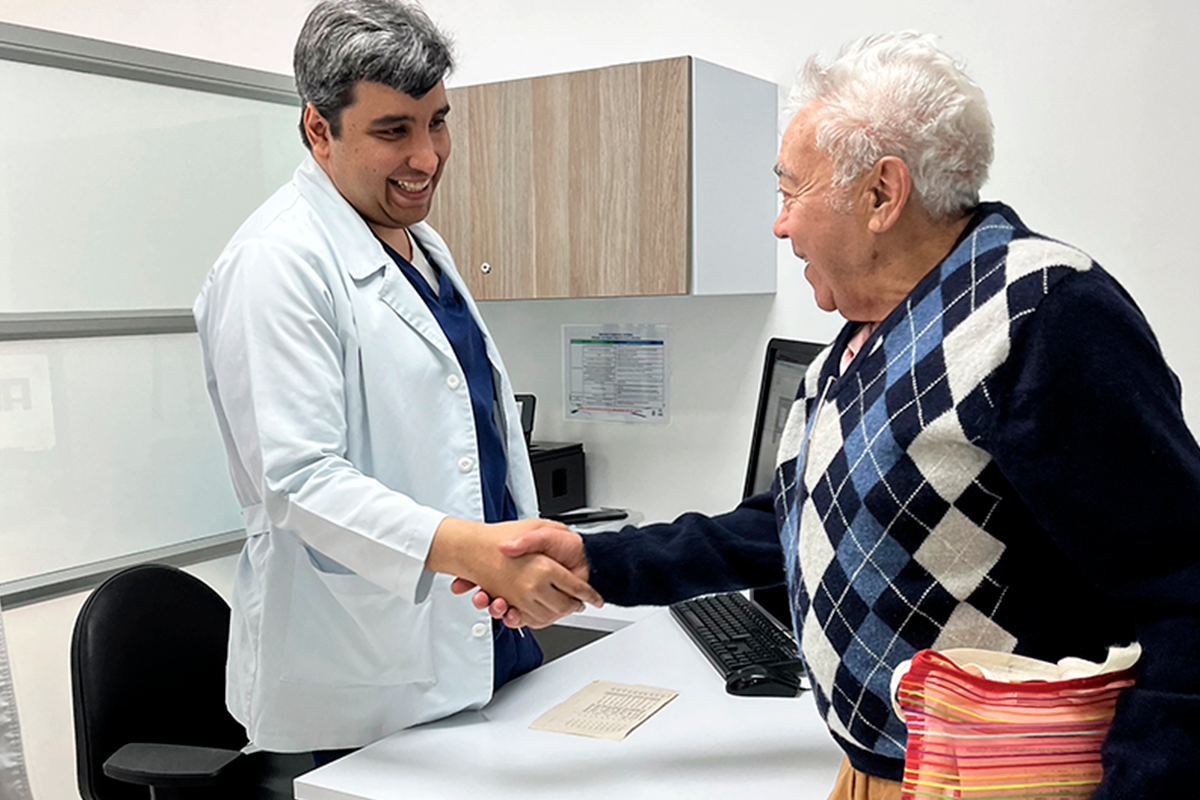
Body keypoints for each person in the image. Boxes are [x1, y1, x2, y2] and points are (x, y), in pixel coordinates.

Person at [462, 32, 1200, 798]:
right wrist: (598, 560)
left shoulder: (1044, 315)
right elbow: (793, 519)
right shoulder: (863, 337)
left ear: (882, 194)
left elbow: (1182, 587)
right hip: (873, 769)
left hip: (1000, 783)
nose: (780, 226)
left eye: (791, 194)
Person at [193, 0, 598, 757]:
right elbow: (297, 481)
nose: (427, 157)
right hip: (367, 678)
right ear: (319, 129)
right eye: (393, 131)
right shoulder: (275, 265)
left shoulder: (418, 244)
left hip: (480, 640)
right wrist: (469, 549)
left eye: (437, 122)